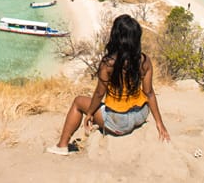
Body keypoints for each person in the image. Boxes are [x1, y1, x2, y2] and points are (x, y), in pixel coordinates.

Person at [47, 14, 171, 154]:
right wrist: (159, 123)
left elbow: (100, 93)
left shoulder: (108, 63)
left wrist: (89, 113)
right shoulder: (144, 60)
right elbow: (149, 93)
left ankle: (62, 145)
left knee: (78, 102)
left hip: (118, 123)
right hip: (140, 115)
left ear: (116, 36)